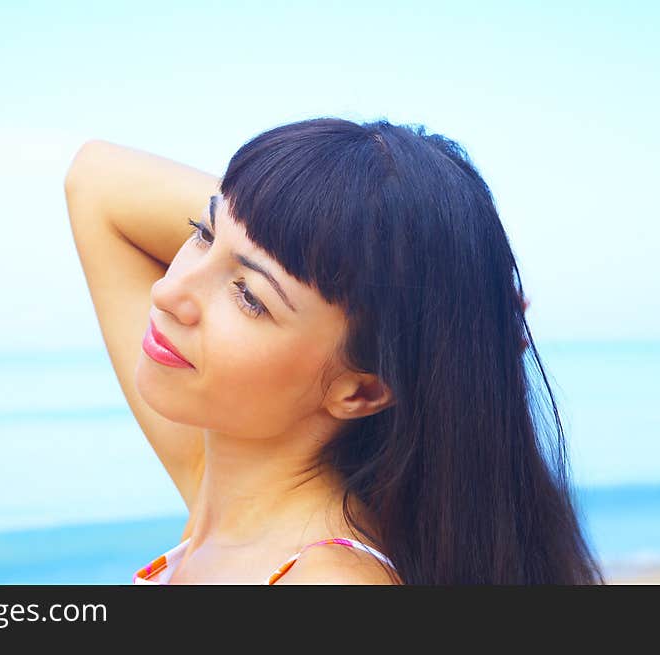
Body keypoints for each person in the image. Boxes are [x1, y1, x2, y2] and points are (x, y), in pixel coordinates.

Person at [63, 117, 606, 585]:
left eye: (250, 297)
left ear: (362, 388)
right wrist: (449, 303)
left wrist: (442, 303)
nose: (169, 291)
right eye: (202, 233)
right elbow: (95, 179)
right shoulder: (226, 497)